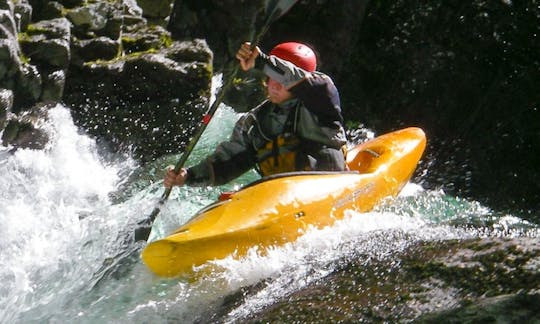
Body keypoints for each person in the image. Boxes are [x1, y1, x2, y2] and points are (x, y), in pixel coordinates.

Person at [164, 41, 347, 188]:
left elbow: (308, 82)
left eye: (282, 80)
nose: (275, 85)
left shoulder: (321, 98)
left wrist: (261, 61)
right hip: (282, 196)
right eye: (271, 79)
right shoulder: (254, 122)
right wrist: (187, 176)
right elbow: (228, 163)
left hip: (327, 186)